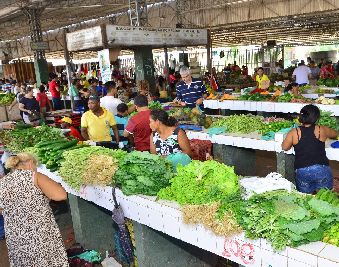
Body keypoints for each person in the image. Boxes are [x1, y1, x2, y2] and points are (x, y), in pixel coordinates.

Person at [0, 152, 68, 266]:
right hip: (40, 235)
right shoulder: (34, 176)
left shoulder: (2, 183)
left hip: (16, 237)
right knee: (48, 261)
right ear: (30, 163)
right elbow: (61, 195)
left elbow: (2, 210)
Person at [282, 105, 338, 194]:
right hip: (321, 169)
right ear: (316, 117)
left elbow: (284, 147)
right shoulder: (321, 129)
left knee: (306, 199)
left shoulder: (294, 132)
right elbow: (335, 134)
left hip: (302, 170)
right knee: (324, 198)